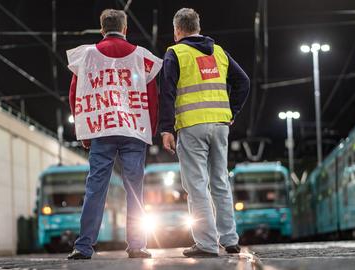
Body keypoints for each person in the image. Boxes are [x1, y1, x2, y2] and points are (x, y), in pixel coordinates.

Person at [66, 9, 162, 260]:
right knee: (135, 189)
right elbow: (152, 97)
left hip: (101, 128)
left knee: (95, 187)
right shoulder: (142, 57)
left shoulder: (86, 56)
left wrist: (85, 131)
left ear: (101, 29)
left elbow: (75, 96)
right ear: (125, 28)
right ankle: (137, 245)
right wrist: (148, 130)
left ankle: (84, 246)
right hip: (133, 131)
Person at [159, 8, 250, 257]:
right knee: (220, 181)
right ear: (197, 27)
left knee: (197, 185)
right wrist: (231, 112)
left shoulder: (175, 53)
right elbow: (244, 82)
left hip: (191, 126)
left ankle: (207, 244)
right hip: (220, 126)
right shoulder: (219, 52)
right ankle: (229, 239)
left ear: (177, 30)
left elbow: (166, 94)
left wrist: (166, 129)